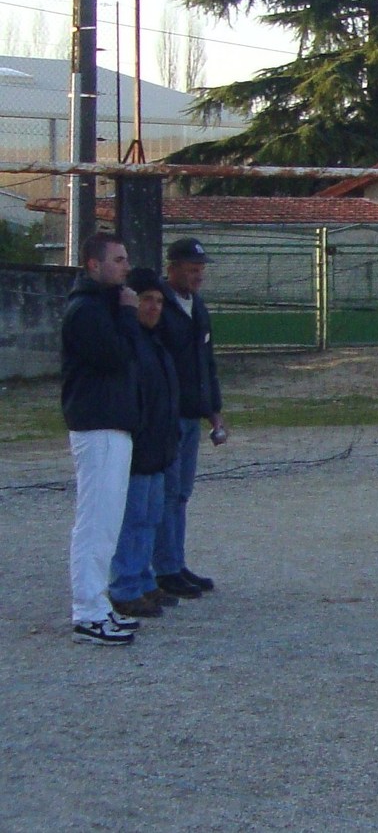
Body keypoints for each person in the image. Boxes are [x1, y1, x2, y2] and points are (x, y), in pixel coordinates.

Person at [61, 232, 143, 645]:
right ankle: (87, 611)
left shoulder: (102, 306)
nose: (126, 266)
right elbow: (115, 357)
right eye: (118, 259)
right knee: (95, 522)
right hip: (98, 424)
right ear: (94, 264)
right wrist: (128, 315)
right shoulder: (87, 310)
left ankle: (98, 603)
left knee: (107, 522)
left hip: (112, 422)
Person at [153, 238, 225, 599]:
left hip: (191, 413)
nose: (198, 276)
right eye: (192, 269)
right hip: (166, 415)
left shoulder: (197, 306)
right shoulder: (159, 306)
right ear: (173, 268)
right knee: (167, 493)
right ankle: (164, 569)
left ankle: (175, 562)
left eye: (201, 270)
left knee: (181, 493)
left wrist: (214, 409)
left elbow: (206, 363)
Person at [107, 267, 181, 619]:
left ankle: (143, 580)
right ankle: (125, 587)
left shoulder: (153, 340)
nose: (154, 307)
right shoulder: (132, 342)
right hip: (140, 446)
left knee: (150, 517)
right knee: (134, 518)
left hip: (157, 446)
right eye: (147, 300)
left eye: (159, 301)